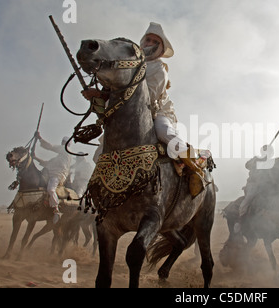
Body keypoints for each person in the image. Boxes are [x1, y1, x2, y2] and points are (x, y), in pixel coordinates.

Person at [82, 22, 207, 198]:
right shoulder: (127, 65)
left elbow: (148, 98)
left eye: (155, 41)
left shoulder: (158, 69)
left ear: (161, 50)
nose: (150, 43)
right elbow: (113, 93)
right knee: (100, 152)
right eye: (147, 39)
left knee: (165, 133)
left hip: (156, 112)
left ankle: (195, 165)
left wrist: (105, 96)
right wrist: (98, 95)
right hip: (128, 115)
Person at [32, 134, 73, 223]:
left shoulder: (65, 150)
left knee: (50, 189)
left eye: (63, 142)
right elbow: (48, 163)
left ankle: (56, 211)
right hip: (53, 175)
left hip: (58, 175)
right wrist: (35, 158)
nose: (62, 143)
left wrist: (40, 138)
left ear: (66, 143)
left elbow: (50, 147)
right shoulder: (60, 156)